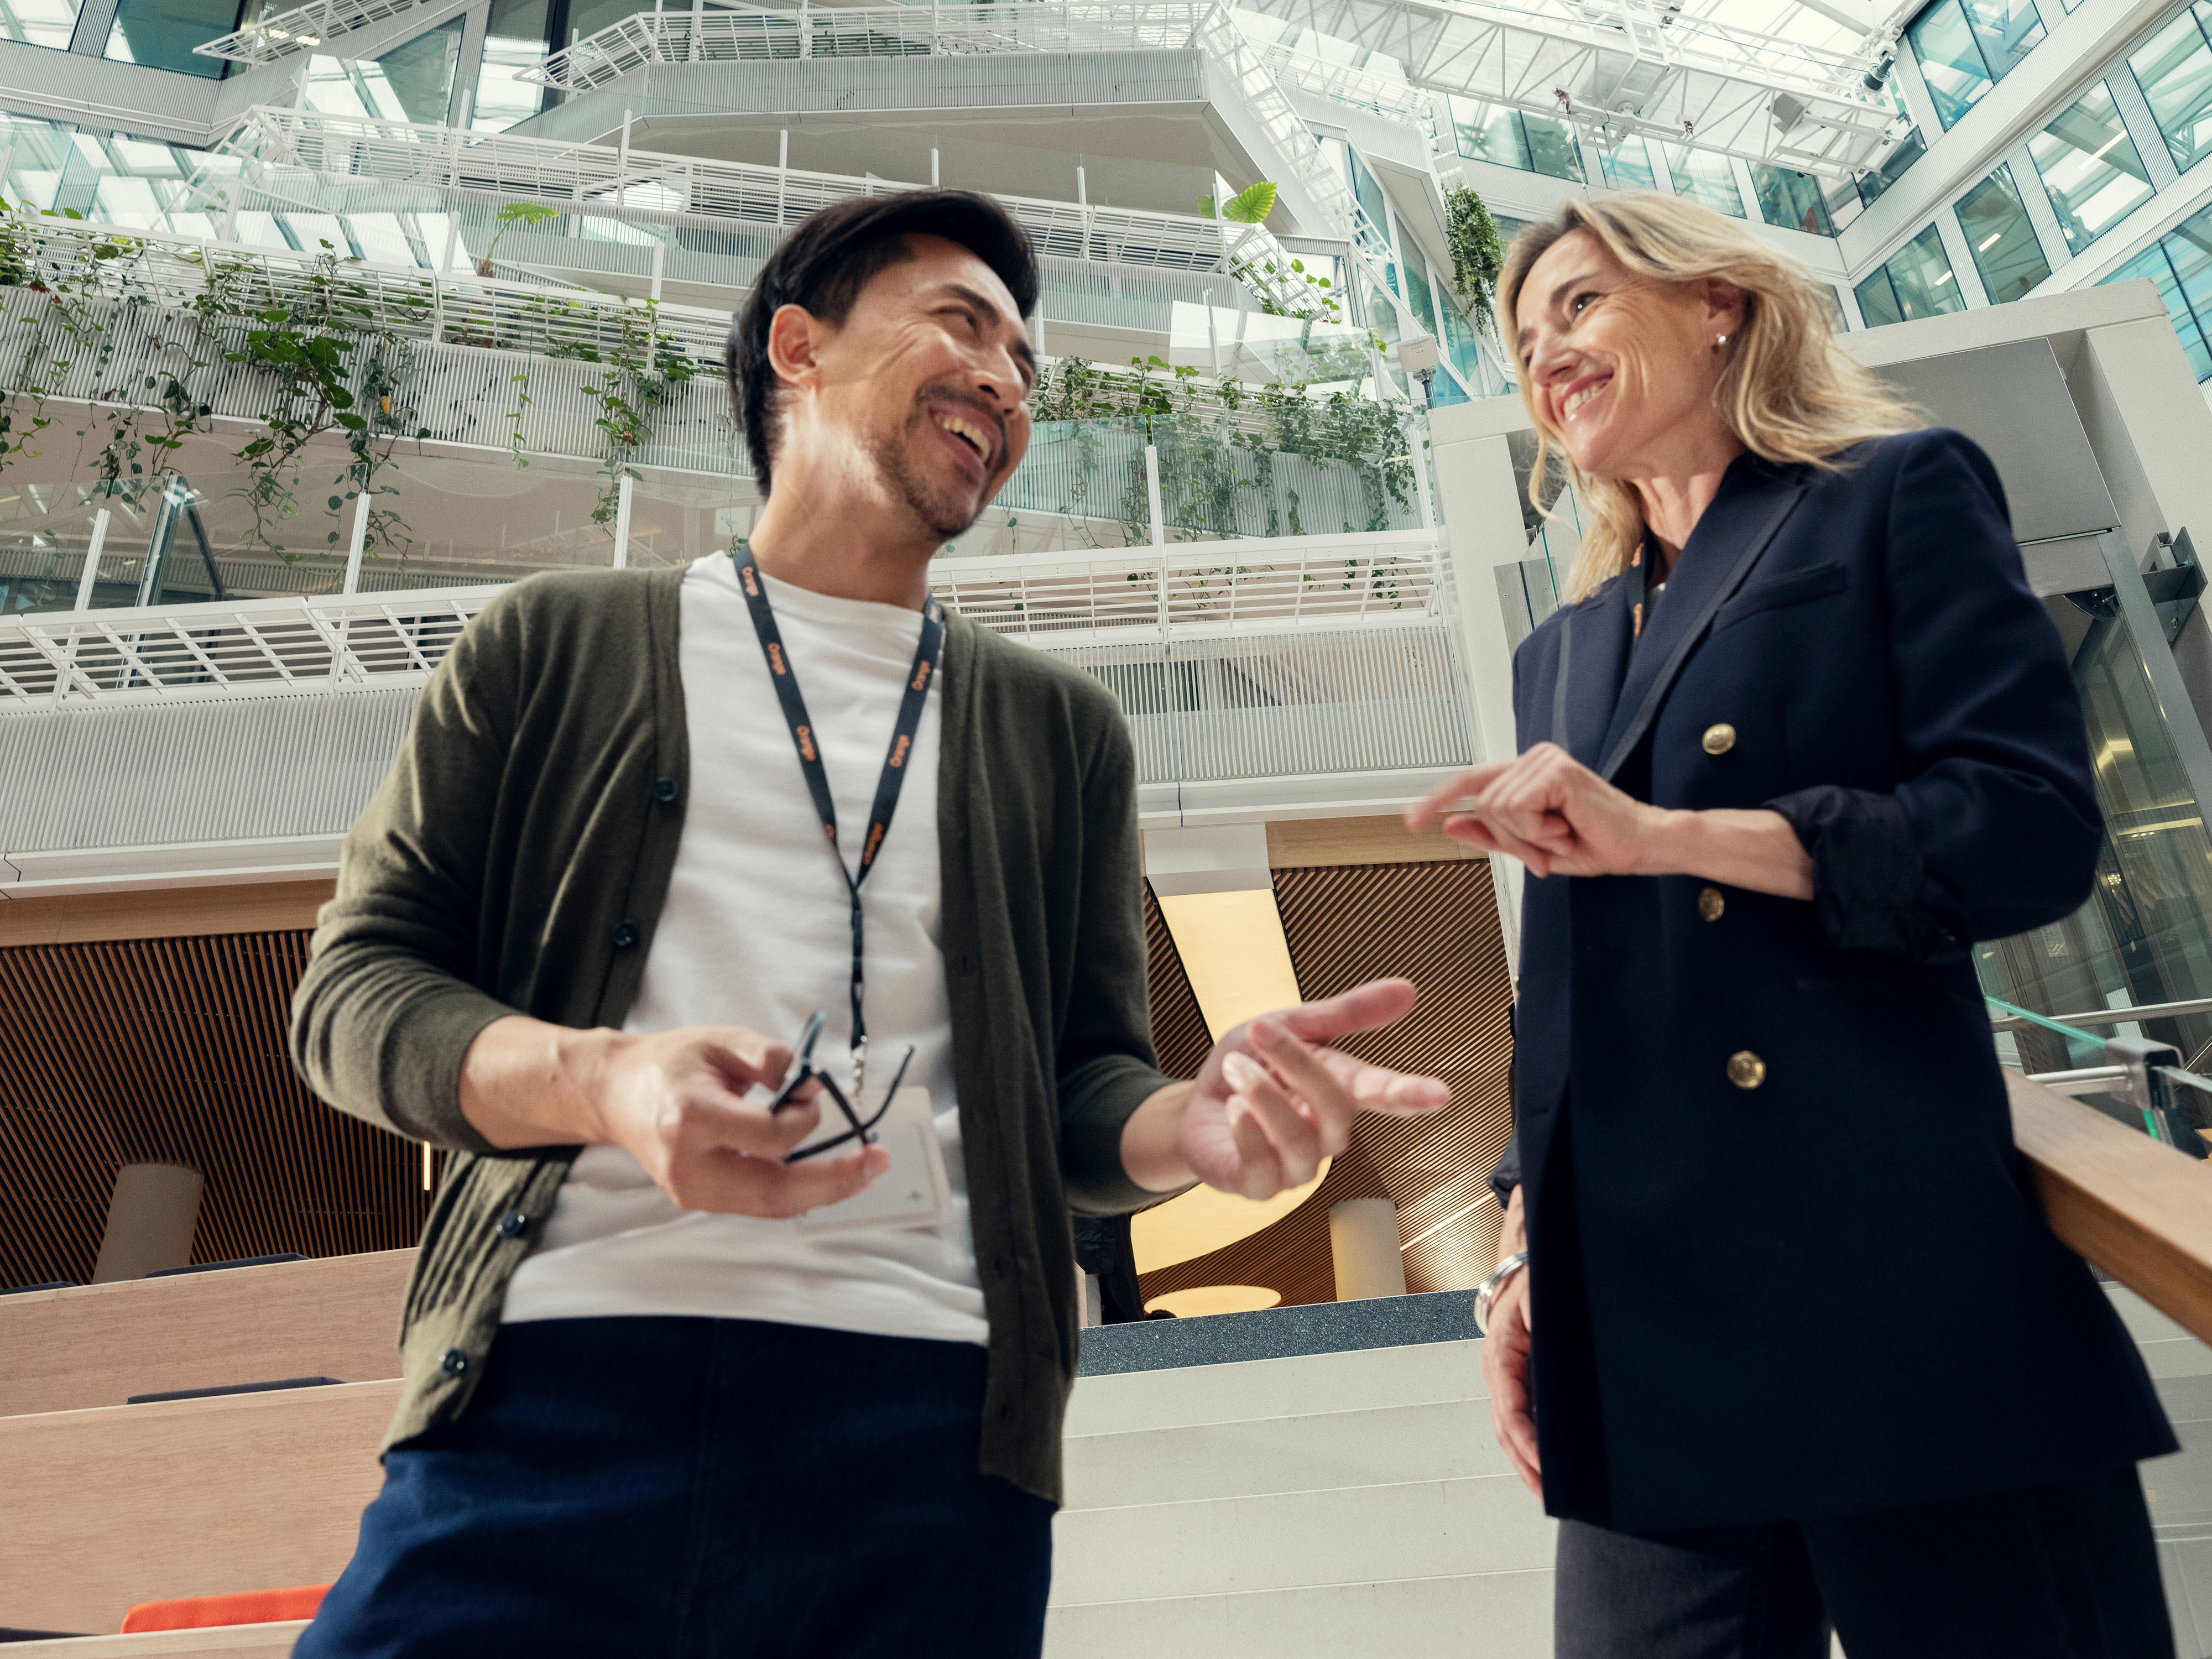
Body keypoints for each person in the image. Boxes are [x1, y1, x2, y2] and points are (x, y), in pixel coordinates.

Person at [288, 189, 1451, 1658]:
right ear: (800, 348)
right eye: (962, 324)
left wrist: (1192, 1131)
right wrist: (606, 1083)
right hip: (550, 1386)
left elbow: (1081, 1090)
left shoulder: (1061, 732)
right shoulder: (552, 644)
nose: (1006, 382)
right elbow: (352, 999)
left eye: (1027, 364)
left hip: (926, 1432)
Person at [1408, 194, 2178, 1659]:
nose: (1545, 352)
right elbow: (1573, 987)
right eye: (1522, 341)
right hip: (1646, 1332)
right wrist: (1524, 1240)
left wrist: (1669, 838)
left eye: (1576, 303)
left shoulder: (1888, 495)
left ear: (1719, 304)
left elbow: (2025, 829)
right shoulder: (1558, 652)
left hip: (1887, 1288)